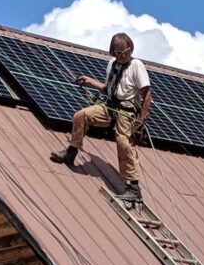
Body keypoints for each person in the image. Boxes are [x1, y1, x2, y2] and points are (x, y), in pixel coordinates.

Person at [51, 33, 152, 202]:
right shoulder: (112, 64)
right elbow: (109, 88)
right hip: (109, 106)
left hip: (127, 111)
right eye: (118, 53)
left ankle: (133, 187)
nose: (122, 55)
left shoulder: (136, 66)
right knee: (81, 116)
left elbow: (147, 94)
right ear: (113, 52)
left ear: (131, 49)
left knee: (123, 142)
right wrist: (91, 81)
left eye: (125, 52)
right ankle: (71, 152)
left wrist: (141, 121)